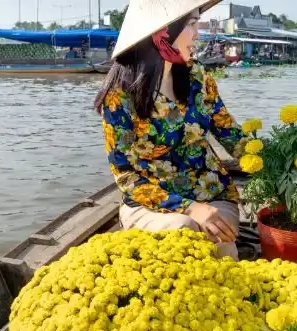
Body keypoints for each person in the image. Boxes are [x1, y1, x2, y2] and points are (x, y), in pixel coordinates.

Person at [94, 0, 248, 260]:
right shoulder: (119, 97)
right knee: (183, 231)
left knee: (218, 240)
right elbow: (126, 177)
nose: (198, 33)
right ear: (162, 32)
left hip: (211, 193)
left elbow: (230, 134)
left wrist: (279, 162)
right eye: (191, 24)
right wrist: (188, 208)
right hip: (151, 204)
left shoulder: (198, 77)